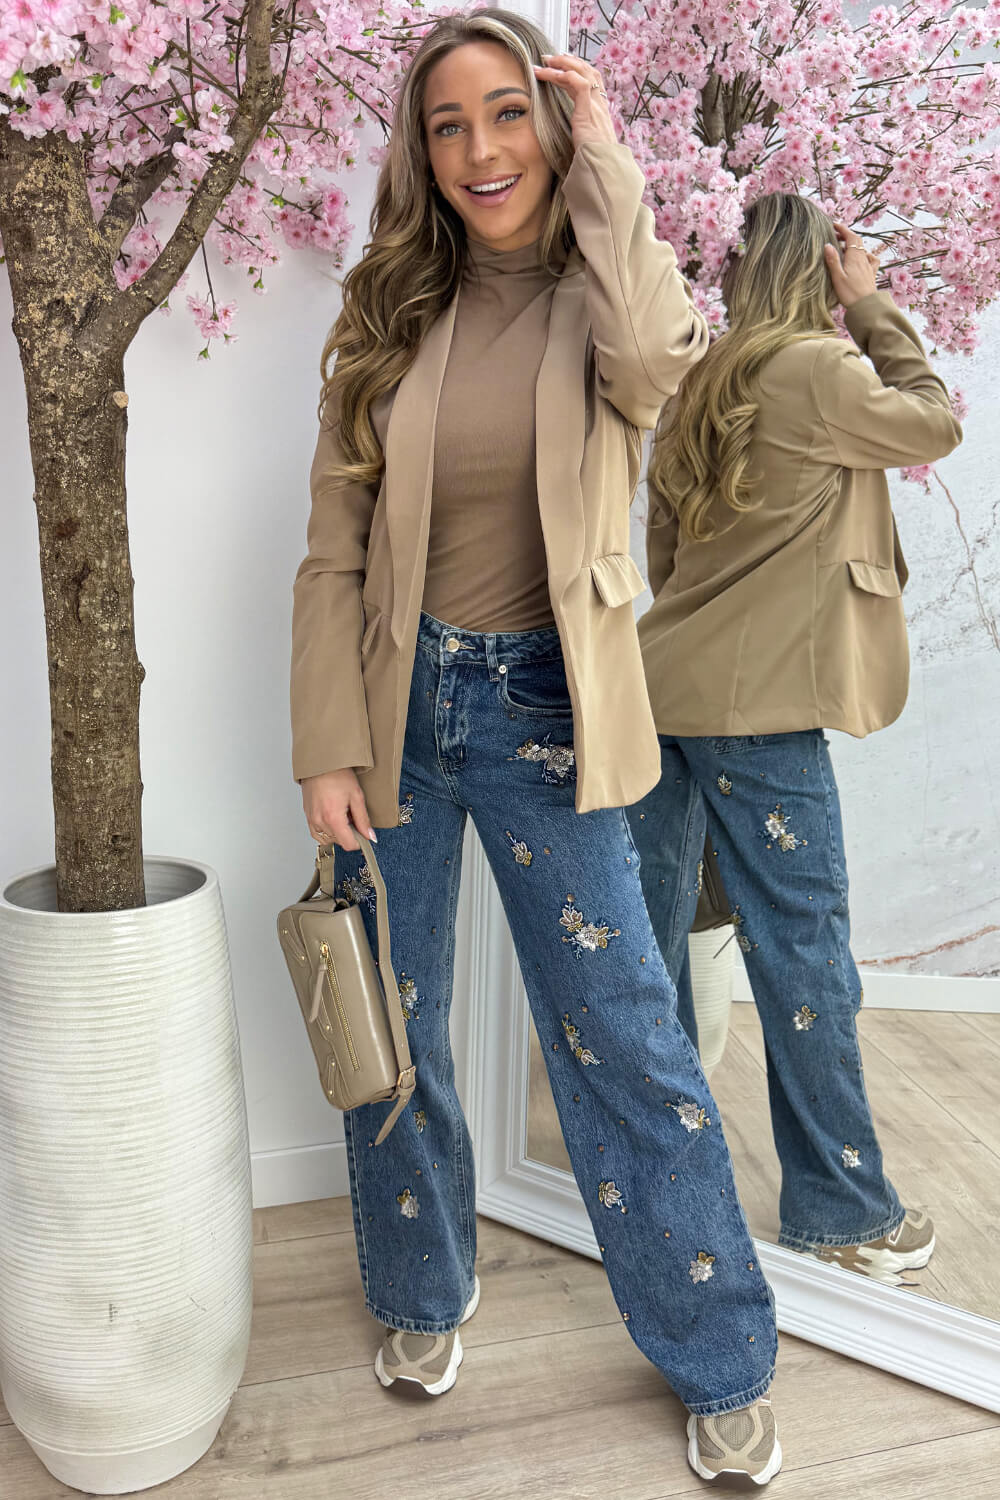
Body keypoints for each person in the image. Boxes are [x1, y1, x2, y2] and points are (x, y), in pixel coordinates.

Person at [290, 8, 782, 1485]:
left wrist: (612, 164)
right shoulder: (387, 312)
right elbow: (331, 550)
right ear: (421, 151)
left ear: (553, 128)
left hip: (545, 720)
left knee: (624, 1038)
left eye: (508, 112)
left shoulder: (601, 297)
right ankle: (421, 1289)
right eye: (448, 124)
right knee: (395, 1025)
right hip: (396, 710)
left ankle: (717, 1352)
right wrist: (326, 744)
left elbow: (662, 362)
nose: (480, 149)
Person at [630, 193, 963, 1285]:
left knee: (651, 952)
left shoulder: (698, 380)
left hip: (665, 696)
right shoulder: (819, 368)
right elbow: (934, 423)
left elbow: (666, 557)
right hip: (759, 716)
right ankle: (842, 1213)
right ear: (821, 270)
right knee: (803, 955)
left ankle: (662, 1202)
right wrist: (872, 309)